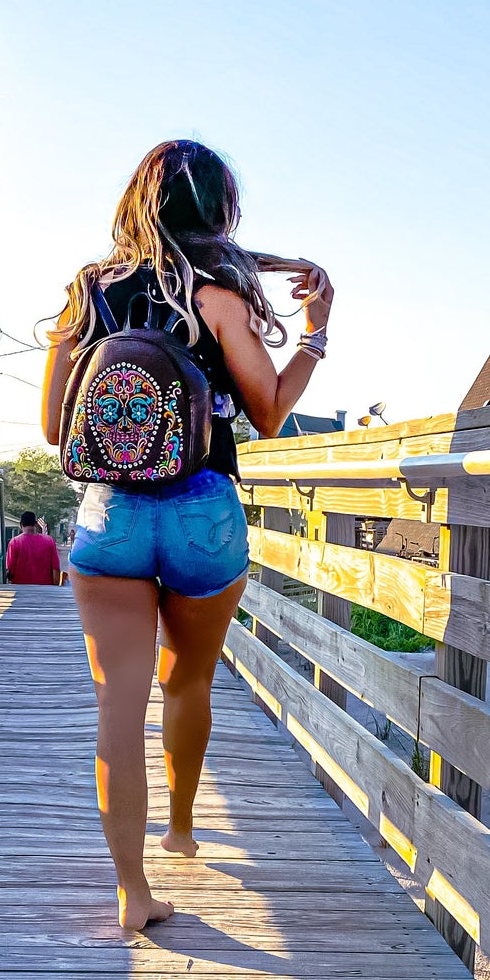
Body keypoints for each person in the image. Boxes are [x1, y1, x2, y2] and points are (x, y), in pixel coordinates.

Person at [42, 139, 333, 930]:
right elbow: (268, 413)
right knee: (188, 680)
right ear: (219, 210)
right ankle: (179, 825)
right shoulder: (219, 295)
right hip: (204, 507)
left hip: (111, 510)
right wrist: (313, 334)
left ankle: (132, 893)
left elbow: (54, 429)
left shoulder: (85, 294)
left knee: (118, 701)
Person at [5, 511, 62, 586]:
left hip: (20, 588)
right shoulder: (49, 541)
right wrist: (55, 587)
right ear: (36, 524)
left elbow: (10, 569)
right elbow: (55, 568)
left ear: (21, 524)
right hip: (45, 589)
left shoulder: (14, 542)